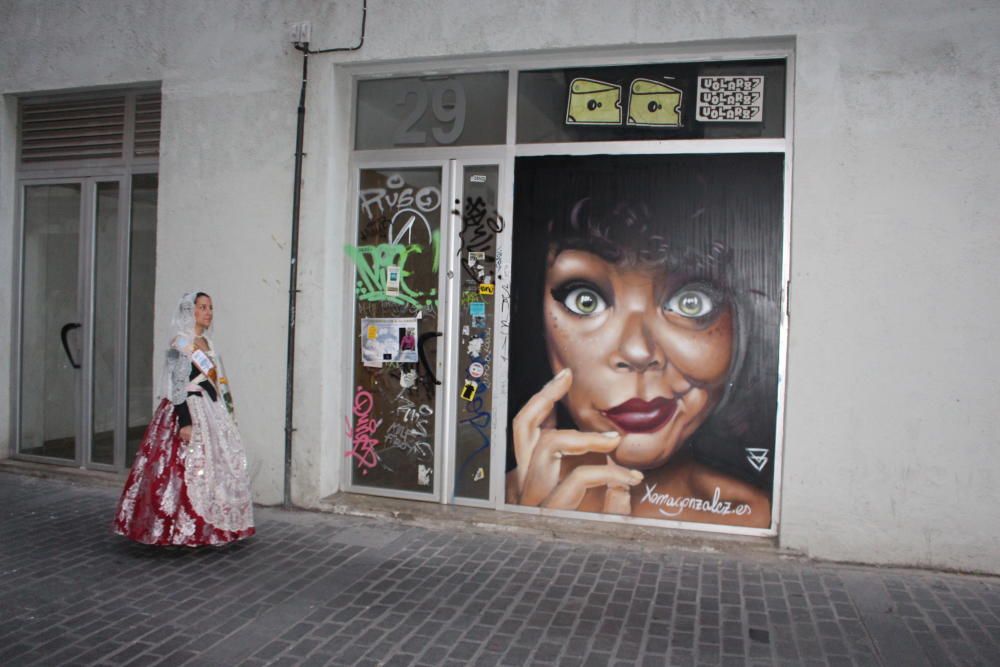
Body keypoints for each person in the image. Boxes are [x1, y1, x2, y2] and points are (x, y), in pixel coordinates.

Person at [506, 155, 782, 528]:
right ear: (535, 319)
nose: (638, 352)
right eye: (584, 300)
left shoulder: (751, 518)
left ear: (740, 319)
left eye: (690, 302)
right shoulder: (500, 497)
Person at [113, 291, 255, 546]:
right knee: (179, 469)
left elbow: (216, 381)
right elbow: (176, 383)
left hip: (209, 407)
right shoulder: (179, 343)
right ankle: (177, 529)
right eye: (202, 307)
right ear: (190, 312)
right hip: (186, 410)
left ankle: (212, 526)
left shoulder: (208, 344)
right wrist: (186, 422)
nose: (208, 312)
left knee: (214, 468)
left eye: (210, 307)